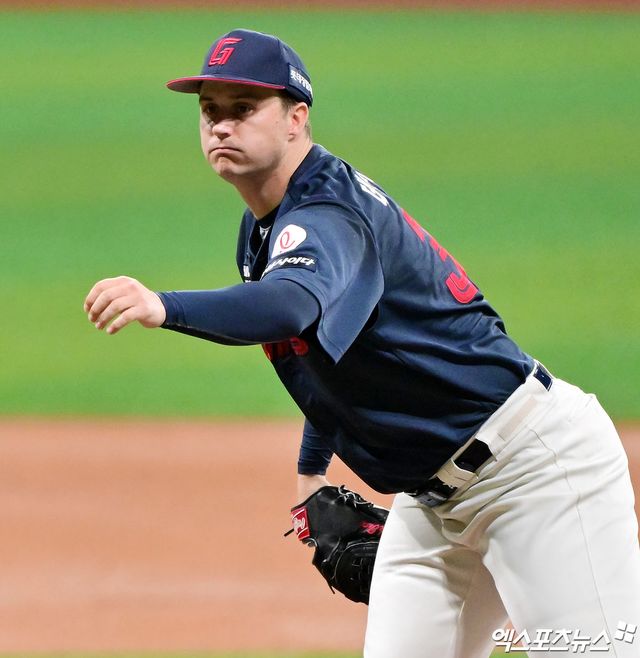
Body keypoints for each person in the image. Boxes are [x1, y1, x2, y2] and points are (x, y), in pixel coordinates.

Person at [84, 28, 640, 657]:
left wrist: (164, 306)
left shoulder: (326, 214)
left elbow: (288, 306)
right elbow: (329, 358)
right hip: (431, 507)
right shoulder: (266, 227)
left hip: (533, 474)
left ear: (296, 119)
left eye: (244, 108)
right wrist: (310, 475)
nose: (221, 125)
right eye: (210, 110)